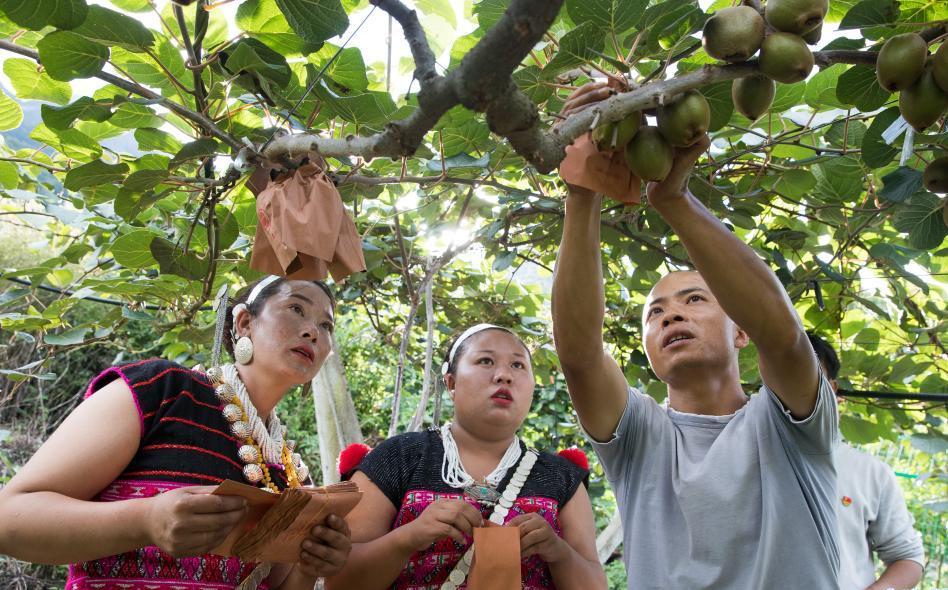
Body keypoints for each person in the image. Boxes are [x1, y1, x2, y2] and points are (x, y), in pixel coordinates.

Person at [551, 83, 840, 588]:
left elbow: (784, 336)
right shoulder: (639, 436)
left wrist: (674, 199)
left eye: (694, 300)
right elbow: (580, 356)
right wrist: (582, 191)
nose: (671, 316)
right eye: (655, 312)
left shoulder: (789, 423)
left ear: (741, 331)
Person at [0, 276, 352, 590]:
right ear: (244, 322)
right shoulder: (163, 390)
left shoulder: (290, 472)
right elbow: (9, 518)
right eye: (296, 309)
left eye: (326, 325)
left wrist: (309, 566)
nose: (313, 331)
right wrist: (145, 521)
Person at [326, 324, 606, 590]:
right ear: (451, 382)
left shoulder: (562, 476)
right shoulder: (397, 457)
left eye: (518, 365)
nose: (504, 375)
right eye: (486, 361)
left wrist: (557, 551)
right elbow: (338, 581)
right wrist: (409, 537)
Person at [807, 332, 925, 590]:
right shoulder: (744, 458)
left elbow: (907, 558)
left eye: (809, 377)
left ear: (833, 390)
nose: (796, 388)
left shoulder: (870, 472)